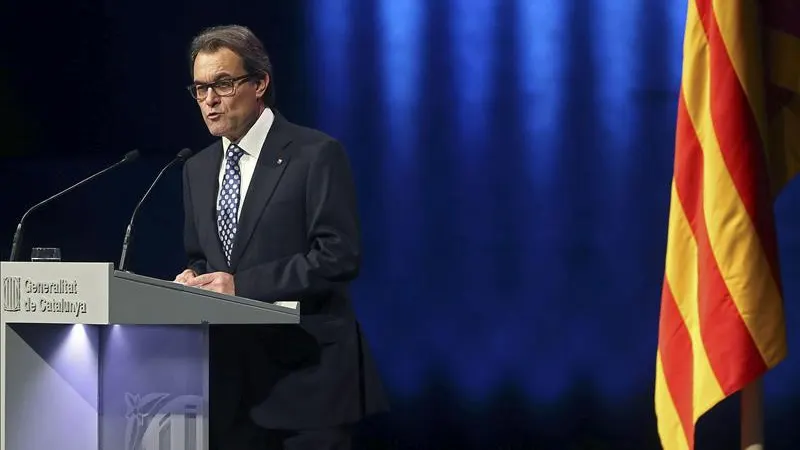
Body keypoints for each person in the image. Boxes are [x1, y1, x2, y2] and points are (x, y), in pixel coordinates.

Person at [173, 24, 388, 450]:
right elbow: (205, 258)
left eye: (223, 84)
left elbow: (339, 256)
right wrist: (193, 279)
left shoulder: (314, 154)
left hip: (307, 383)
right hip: (232, 392)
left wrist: (241, 287)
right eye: (200, 89)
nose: (210, 101)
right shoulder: (195, 169)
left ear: (260, 83)